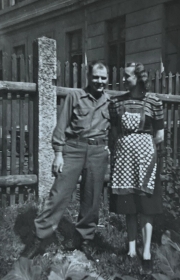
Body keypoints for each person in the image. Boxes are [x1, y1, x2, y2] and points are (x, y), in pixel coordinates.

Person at [24, 61, 110, 259]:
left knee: (92, 197)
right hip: (73, 148)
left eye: (103, 78)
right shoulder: (74, 96)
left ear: (107, 80)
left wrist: (109, 147)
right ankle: (39, 239)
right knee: (59, 194)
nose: (99, 81)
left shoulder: (109, 101)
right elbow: (61, 126)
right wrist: (58, 154)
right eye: (96, 77)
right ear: (88, 77)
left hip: (98, 151)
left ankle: (84, 240)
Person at [109, 62, 164, 271]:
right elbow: (114, 131)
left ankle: (146, 250)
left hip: (145, 158)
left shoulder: (154, 102)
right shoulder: (116, 102)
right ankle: (131, 249)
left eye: (128, 76)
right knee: (129, 205)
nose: (124, 79)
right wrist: (124, 147)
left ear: (139, 78)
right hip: (124, 159)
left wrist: (144, 148)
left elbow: (159, 134)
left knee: (146, 205)